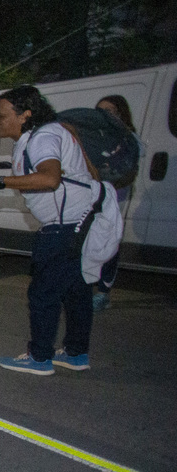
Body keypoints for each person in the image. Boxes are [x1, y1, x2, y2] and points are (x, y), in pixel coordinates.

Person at [0, 85, 99, 375]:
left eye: (0, 115)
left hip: (64, 227)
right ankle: (76, 353)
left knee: (43, 293)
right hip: (81, 222)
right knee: (77, 291)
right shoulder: (49, 134)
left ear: (25, 115)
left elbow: (49, 179)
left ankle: (39, 357)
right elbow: (92, 176)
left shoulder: (41, 138)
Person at [90, 95, 139, 312]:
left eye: (109, 111)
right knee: (89, 245)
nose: (104, 115)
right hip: (92, 198)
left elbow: (127, 173)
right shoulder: (94, 136)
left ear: (121, 114)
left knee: (108, 246)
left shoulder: (128, 140)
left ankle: (103, 293)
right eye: (100, 111)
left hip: (113, 199)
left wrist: (104, 178)